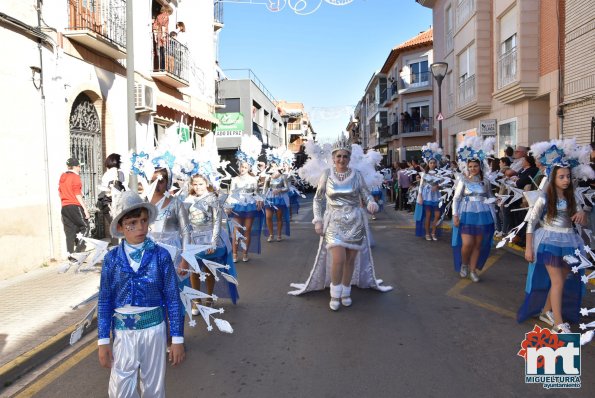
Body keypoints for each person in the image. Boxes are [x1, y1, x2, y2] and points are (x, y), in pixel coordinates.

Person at [98, 191, 185, 397]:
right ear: (120, 227)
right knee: (120, 390)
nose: (140, 227)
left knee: (154, 388)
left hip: (154, 329)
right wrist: (103, 341)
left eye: (144, 221)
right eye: (133, 222)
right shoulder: (111, 259)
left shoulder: (161, 255)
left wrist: (177, 339)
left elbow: (173, 297)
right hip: (123, 332)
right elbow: (104, 300)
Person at [289, 137, 392, 309]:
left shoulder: (356, 175)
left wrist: (371, 203)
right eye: (338, 156)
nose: (341, 160)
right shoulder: (327, 174)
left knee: (350, 260)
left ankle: (345, 292)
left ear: (349, 158)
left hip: (355, 221)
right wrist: (318, 219)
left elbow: (366, 194)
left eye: (345, 156)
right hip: (334, 221)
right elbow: (318, 199)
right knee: (339, 259)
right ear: (333, 158)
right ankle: (334, 295)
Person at [185, 174, 238, 313]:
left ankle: (208, 297)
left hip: (210, 237)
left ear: (206, 184)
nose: (198, 187)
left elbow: (217, 222)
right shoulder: (188, 200)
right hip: (194, 238)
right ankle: (196, 300)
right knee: (194, 270)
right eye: (195, 184)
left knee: (208, 269)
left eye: (200, 184)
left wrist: (212, 243)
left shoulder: (213, 199)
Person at [452, 137, 496, 283]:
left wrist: (495, 212)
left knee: (478, 244)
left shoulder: (486, 182)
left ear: (480, 166)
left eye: (475, 166)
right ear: (467, 167)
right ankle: (464, 264)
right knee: (467, 244)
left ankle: (473, 270)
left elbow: (490, 197)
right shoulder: (463, 181)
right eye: (470, 166)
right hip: (467, 215)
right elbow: (456, 199)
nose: (472, 169)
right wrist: (455, 215)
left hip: (483, 215)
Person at [225, 136, 264, 262]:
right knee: (236, 232)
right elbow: (231, 193)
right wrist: (228, 206)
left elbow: (256, 193)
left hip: (249, 206)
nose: (242, 169)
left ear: (249, 168)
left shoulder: (253, 179)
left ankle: (245, 253)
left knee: (247, 231)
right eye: (241, 167)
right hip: (237, 206)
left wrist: (259, 200)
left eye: (245, 167)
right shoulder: (234, 180)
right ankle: (235, 254)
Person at [148, 167, 191, 275]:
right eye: (153, 181)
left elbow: (186, 232)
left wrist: (185, 260)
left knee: (173, 287)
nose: (157, 184)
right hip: (148, 252)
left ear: (168, 182)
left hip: (172, 252)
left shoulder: (176, 203)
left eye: (160, 181)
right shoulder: (144, 203)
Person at [59, 157, 90, 257]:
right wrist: (85, 209)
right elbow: (77, 194)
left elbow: (60, 192)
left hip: (64, 207)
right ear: (76, 167)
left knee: (69, 231)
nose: (80, 169)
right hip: (75, 205)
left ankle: (70, 254)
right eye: (79, 167)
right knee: (86, 227)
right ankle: (78, 252)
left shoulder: (62, 177)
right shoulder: (75, 177)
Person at [415, 143, 443, 241]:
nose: (432, 164)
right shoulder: (424, 174)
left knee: (437, 216)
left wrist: (438, 186)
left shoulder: (439, 174)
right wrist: (420, 197)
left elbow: (443, 185)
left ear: (436, 163)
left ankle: (433, 232)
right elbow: (421, 187)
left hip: (436, 196)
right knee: (427, 216)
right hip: (427, 197)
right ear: (428, 163)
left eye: (434, 163)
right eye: (430, 163)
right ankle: (427, 233)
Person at [98, 153, 125, 243]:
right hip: (119, 203)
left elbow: (104, 189)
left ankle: (115, 248)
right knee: (120, 226)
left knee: (114, 227)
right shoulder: (121, 174)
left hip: (108, 203)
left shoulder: (106, 174)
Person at [153, 5, 172, 71]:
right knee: (163, 52)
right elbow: (164, 26)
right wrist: (163, 36)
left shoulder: (158, 16)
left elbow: (155, 27)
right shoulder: (166, 16)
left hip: (158, 34)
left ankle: (159, 67)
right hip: (163, 35)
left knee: (159, 52)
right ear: (167, 10)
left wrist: (156, 37)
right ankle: (163, 68)